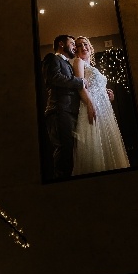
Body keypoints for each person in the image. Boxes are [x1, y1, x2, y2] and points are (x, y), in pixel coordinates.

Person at [71, 36, 130, 175]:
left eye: (85, 44)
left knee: (107, 143)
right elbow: (80, 87)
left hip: (104, 109)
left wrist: (109, 96)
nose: (83, 47)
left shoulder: (92, 66)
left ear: (90, 47)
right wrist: (90, 104)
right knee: (95, 145)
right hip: (91, 107)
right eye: (79, 45)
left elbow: (96, 86)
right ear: (76, 50)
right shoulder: (78, 62)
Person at [42, 34, 95, 180]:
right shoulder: (52, 58)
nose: (74, 47)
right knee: (64, 150)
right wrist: (79, 82)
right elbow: (54, 78)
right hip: (59, 111)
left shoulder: (69, 65)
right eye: (72, 43)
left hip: (71, 112)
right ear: (61, 44)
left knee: (72, 151)